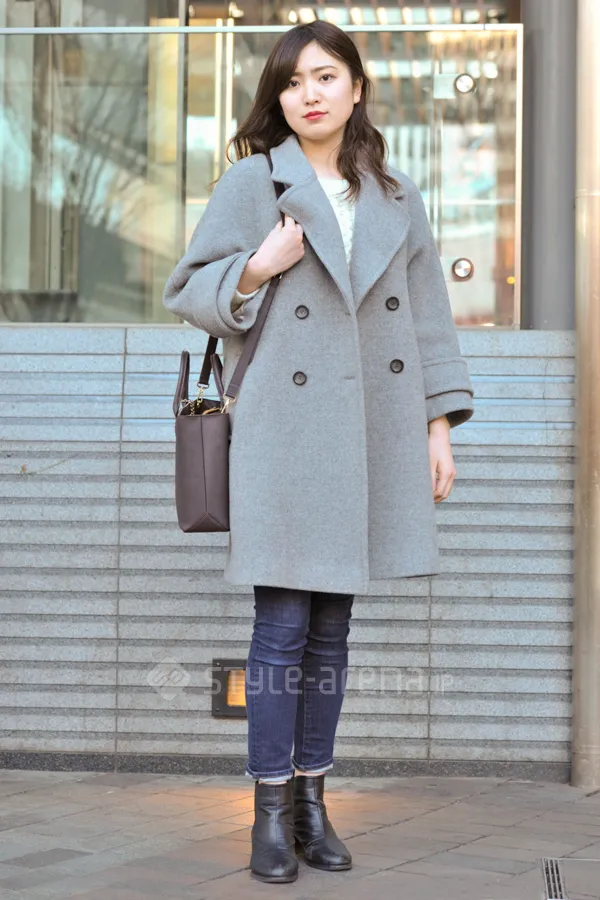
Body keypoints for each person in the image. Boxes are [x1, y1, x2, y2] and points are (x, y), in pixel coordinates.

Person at [163, 20, 474, 884]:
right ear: (280, 96)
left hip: (371, 429)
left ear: (356, 89)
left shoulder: (395, 195)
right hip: (284, 432)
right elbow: (187, 288)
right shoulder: (253, 183)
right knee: (281, 627)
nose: (310, 93)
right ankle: (268, 812)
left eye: (327, 76)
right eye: (294, 80)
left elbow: (428, 317)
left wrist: (438, 427)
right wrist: (257, 267)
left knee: (333, 630)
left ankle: (311, 803)